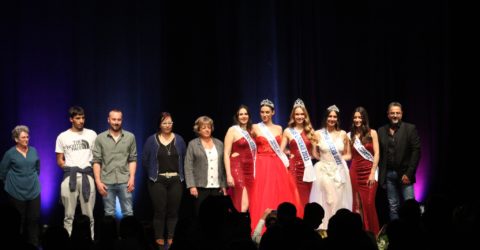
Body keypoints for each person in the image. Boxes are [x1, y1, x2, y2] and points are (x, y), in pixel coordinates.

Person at [249, 99, 302, 234]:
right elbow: (249, 145)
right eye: (262, 112)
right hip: (261, 163)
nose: (264, 114)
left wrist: (289, 154)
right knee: (262, 194)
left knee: (280, 193)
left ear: (273, 112)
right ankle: (261, 227)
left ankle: (283, 227)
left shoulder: (279, 128)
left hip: (277, 164)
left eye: (267, 112)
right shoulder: (255, 127)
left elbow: (280, 148)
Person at [142, 112, 186, 248]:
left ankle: (172, 236)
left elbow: (184, 159)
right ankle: (159, 236)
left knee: (173, 211)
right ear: (159, 125)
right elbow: (145, 160)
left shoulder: (179, 139)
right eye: (165, 123)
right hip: (158, 180)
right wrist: (153, 174)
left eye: (170, 123)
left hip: (175, 180)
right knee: (160, 210)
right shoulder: (151, 140)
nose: (168, 125)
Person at [55, 106, 97, 239]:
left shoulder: (92, 134)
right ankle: (67, 243)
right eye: (78, 118)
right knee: (68, 215)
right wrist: (69, 169)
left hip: (87, 176)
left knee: (89, 215)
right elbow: (59, 160)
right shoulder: (63, 136)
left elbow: (97, 157)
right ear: (71, 119)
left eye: (83, 118)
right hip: (70, 177)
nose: (81, 121)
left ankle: (89, 242)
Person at [309, 104, 352, 230]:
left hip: (339, 170)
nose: (332, 119)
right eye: (330, 116)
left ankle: (338, 227)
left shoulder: (343, 134)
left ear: (337, 119)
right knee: (327, 199)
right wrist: (325, 160)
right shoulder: (318, 133)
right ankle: (324, 227)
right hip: (323, 170)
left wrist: (337, 161)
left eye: (334, 117)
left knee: (339, 199)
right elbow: (314, 153)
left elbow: (348, 154)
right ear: (326, 118)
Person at [378, 102, 421, 221]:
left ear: (401, 114)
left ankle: (413, 232)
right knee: (393, 206)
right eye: (392, 113)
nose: (395, 115)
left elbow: (416, 152)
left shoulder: (410, 128)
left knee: (410, 205)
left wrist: (409, 173)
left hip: (405, 174)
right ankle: (396, 234)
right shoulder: (381, 130)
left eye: (397, 113)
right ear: (388, 114)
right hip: (389, 175)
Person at [0, 125, 41, 247]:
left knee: (33, 219)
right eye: (23, 137)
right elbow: (2, 172)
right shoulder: (10, 153)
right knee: (19, 221)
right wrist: (10, 185)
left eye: (27, 137)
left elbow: (38, 168)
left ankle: (33, 244)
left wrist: (31, 180)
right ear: (16, 139)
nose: (26, 139)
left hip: (33, 191)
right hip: (16, 192)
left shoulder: (33, 150)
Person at [93, 109, 137, 217]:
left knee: (128, 212)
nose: (116, 122)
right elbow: (96, 161)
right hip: (107, 181)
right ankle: (110, 235)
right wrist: (98, 182)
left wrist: (132, 178)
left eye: (119, 119)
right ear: (108, 120)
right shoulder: (100, 138)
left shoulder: (130, 137)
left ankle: (128, 234)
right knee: (109, 213)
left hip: (125, 181)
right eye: (113, 119)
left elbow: (132, 159)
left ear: (122, 120)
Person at [184, 116, 227, 216]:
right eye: (203, 127)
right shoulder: (193, 144)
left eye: (209, 127)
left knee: (217, 215)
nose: (207, 129)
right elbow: (188, 166)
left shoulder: (219, 143)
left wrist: (224, 185)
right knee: (201, 214)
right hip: (200, 187)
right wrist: (192, 185)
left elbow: (223, 166)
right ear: (198, 129)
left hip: (217, 187)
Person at [348, 106, 380, 235]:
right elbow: (348, 155)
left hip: (369, 172)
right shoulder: (350, 135)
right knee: (357, 205)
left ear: (364, 118)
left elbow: (377, 153)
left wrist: (372, 172)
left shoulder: (372, 133)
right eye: (355, 117)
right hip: (355, 171)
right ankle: (360, 234)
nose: (357, 120)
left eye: (359, 117)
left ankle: (373, 234)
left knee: (369, 203)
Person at [280, 98, 317, 208]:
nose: (300, 117)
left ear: (305, 116)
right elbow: (280, 150)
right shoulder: (288, 131)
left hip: (307, 169)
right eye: (297, 114)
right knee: (295, 197)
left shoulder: (311, 131)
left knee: (306, 198)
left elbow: (314, 154)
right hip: (294, 169)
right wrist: (289, 152)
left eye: (302, 114)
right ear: (293, 116)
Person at [223, 104, 256, 212]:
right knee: (242, 201)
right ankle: (239, 226)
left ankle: (244, 225)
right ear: (237, 116)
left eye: (245, 114)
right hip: (238, 168)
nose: (243, 116)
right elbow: (226, 154)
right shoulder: (232, 130)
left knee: (251, 201)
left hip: (251, 170)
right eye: (240, 114)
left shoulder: (252, 131)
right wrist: (228, 175)